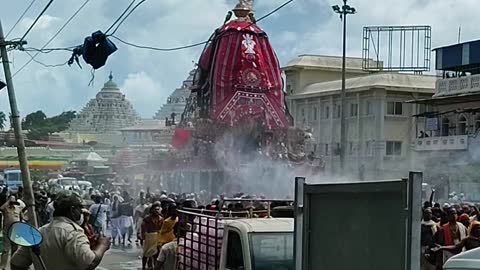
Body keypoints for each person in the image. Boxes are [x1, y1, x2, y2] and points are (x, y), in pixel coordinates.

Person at [10, 193, 111, 270]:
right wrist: (102, 245)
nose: (81, 212)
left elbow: (16, 264)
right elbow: (90, 263)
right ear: (72, 210)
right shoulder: (73, 232)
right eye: (80, 208)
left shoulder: (38, 232)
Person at [0, 194, 25, 270]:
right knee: (5, 250)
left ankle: (13, 265)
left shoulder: (18, 208)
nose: (12, 201)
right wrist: (8, 202)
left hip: (15, 231)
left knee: (15, 249)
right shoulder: (6, 207)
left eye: (13, 200)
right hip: (7, 230)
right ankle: (2, 266)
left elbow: (23, 215)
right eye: (11, 199)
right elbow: (1, 208)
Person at [141, 202, 163, 270]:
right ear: (152, 210)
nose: (156, 211)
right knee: (146, 254)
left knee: (156, 253)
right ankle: (143, 267)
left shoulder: (161, 219)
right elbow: (143, 228)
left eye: (158, 209)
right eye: (155, 209)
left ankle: (153, 267)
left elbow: (161, 228)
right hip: (148, 237)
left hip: (157, 237)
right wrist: (142, 237)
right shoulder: (147, 218)